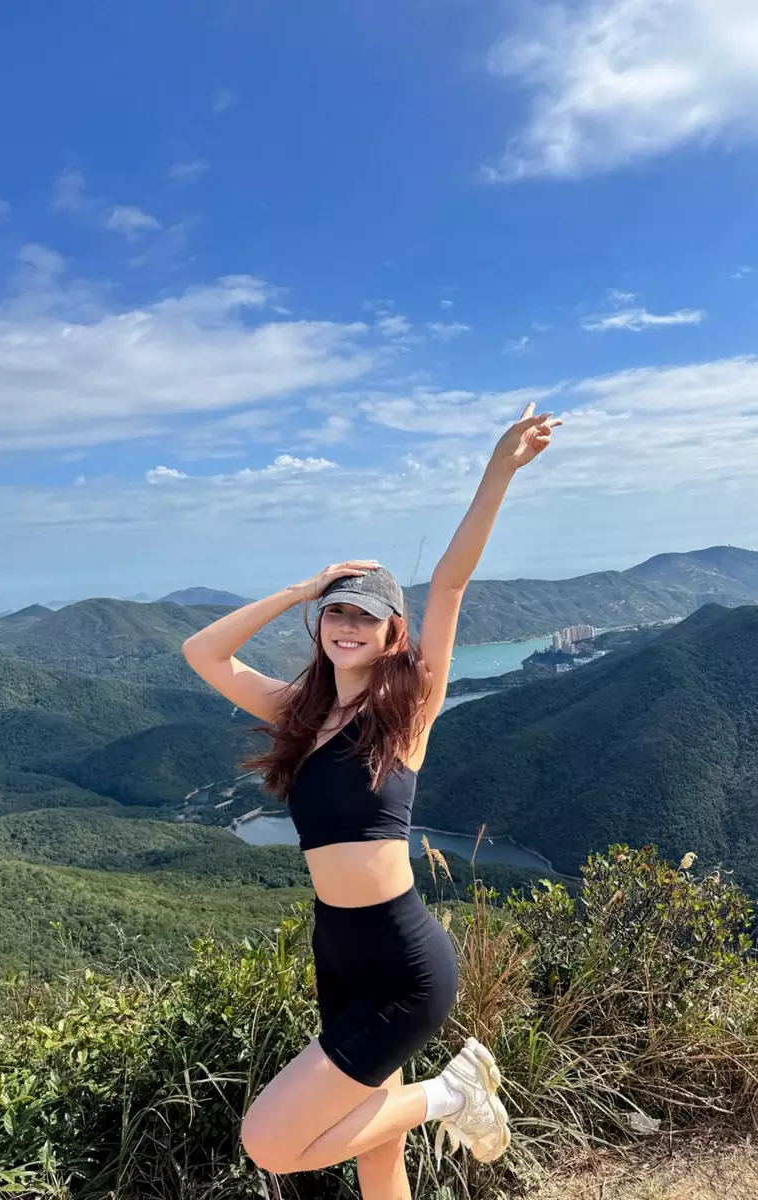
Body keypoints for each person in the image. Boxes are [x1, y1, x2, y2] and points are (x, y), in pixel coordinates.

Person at [181, 401, 562, 1194]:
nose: (348, 626)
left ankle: (453, 1093)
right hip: (338, 954)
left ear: (393, 634)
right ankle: (440, 1101)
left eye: (367, 616)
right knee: (374, 1147)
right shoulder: (299, 714)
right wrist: (301, 588)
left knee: (271, 1142)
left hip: (401, 961)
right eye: (337, 613)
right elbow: (203, 652)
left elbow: (450, 582)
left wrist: (499, 470)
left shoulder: (408, 712)